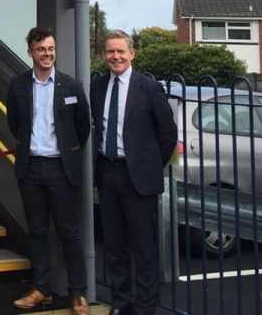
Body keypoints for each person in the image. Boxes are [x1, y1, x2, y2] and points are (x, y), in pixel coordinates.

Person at [90, 30, 177, 315]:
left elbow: (167, 136)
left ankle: (145, 305)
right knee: (114, 245)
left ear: (132, 54)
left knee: (143, 247)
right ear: (104, 55)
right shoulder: (98, 87)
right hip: (108, 173)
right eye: (110, 51)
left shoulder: (149, 88)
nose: (116, 56)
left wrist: (147, 165)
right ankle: (121, 302)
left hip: (138, 179)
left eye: (121, 51)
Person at [7, 26, 91, 315]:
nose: (47, 54)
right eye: (41, 49)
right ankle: (40, 289)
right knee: (38, 232)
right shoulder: (18, 85)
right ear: (30, 52)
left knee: (69, 232)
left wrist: (65, 151)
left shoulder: (72, 86)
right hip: (30, 169)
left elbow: (82, 128)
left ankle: (78, 294)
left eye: (51, 49)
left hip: (61, 169)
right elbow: (14, 123)